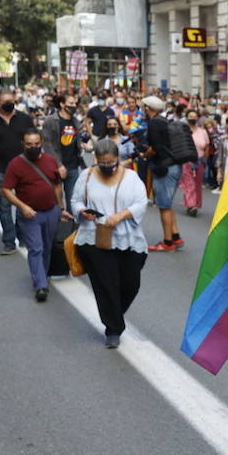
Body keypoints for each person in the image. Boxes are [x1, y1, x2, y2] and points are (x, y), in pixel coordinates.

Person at [71, 140, 149, 348]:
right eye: (103, 163)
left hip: (128, 238)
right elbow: (76, 201)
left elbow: (141, 202)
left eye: (112, 163)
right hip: (95, 238)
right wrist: (82, 212)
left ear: (118, 159)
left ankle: (114, 311)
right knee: (106, 284)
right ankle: (113, 328)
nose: (108, 166)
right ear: (97, 160)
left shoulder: (131, 178)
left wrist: (122, 215)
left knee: (131, 284)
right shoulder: (86, 176)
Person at [0, 129, 72, 302]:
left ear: (41, 144)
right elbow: (5, 190)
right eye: (29, 144)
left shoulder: (50, 160)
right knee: (36, 249)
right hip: (30, 215)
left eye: (36, 144)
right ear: (23, 145)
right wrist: (22, 206)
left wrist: (60, 208)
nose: (33, 147)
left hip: (51, 212)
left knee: (47, 248)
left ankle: (42, 275)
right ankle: (41, 285)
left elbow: (56, 185)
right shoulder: (16, 164)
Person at [0, 88, 35, 255]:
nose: (9, 103)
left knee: (23, 205)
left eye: (11, 100)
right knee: (4, 207)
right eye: (5, 101)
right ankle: (9, 242)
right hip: (0, 170)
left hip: (24, 170)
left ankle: (24, 237)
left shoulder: (25, 119)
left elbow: (34, 142)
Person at [138, 95, 184, 252]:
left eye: (143, 107)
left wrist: (144, 155)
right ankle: (175, 236)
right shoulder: (164, 121)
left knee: (164, 206)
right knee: (168, 204)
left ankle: (167, 242)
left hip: (164, 167)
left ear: (147, 108)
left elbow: (156, 148)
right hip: (174, 166)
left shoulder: (154, 123)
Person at [40, 93, 89, 205]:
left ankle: (73, 221)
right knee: (54, 198)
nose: (74, 106)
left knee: (73, 199)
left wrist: (83, 145)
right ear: (62, 104)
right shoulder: (51, 121)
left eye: (75, 103)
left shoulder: (76, 121)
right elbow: (47, 144)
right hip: (55, 166)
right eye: (71, 103)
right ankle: (57, 218)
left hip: (73, 165)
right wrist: (59, 165)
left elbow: (75, 140)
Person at [179, 107, 209, 217]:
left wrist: (205, 160)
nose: (193, 118)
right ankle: (191, 205)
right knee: (189, 184)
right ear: (186, 118)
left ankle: (196, 203)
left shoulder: (203, 132)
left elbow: (206, 146)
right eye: (190, 117)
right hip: (187, 161)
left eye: (195, 116)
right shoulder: (183, 131)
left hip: (199, 161)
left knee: (197, 184)